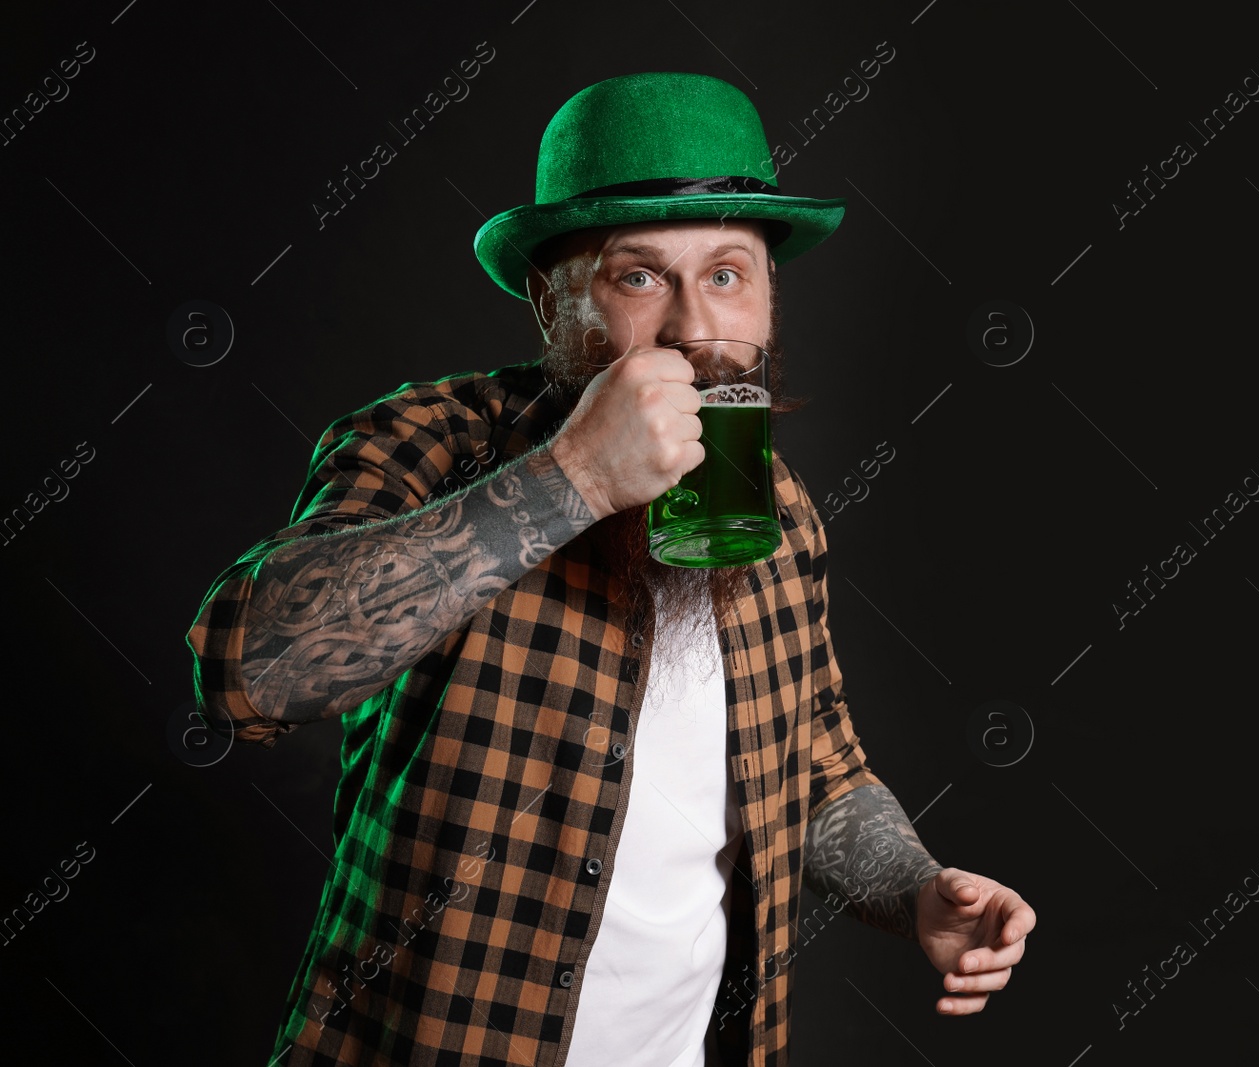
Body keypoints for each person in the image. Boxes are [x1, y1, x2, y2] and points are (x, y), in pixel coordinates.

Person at [188, 71, 1036, 1067]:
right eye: (640, 277)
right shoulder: (427, 439)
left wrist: (916, 889)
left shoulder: (779, 511)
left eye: (726, 274)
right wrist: (573, 479)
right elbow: (253, 671)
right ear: (554, 302)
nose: (691, 326)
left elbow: (815, 769)